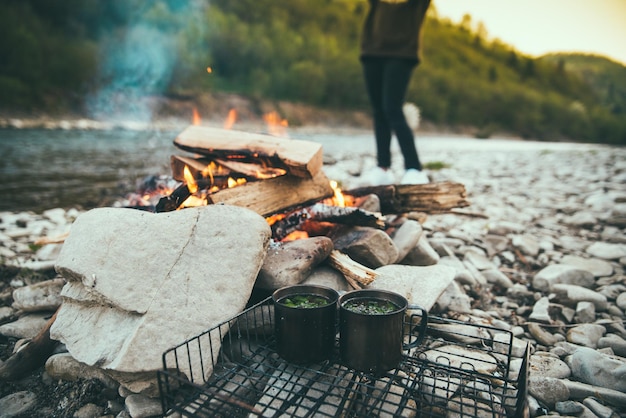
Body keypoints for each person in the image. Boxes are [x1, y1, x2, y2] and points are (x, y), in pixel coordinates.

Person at [359, 0, 431, 186]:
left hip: (401, 53)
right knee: (379, 112)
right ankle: (383, 168)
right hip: (372, 51)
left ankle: (414, 169)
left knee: (392, 109)